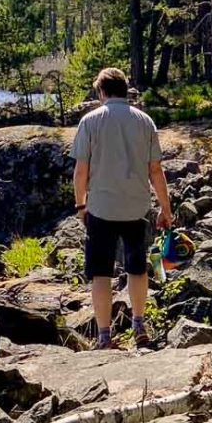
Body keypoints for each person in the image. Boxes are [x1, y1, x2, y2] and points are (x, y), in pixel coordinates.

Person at [70, 67, 173, 349]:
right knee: (137, 269)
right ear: (125, 89)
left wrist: (81, 205)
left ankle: (105, 336)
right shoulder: (145, 121)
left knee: (101, 272)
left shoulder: (90, 122)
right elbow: (155, 171)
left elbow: (81, 171)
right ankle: (138, 324)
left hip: (101, 208)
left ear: (101, 91)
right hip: (137, 208)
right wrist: (165, 208)